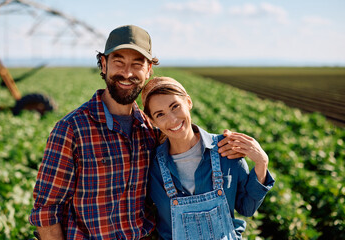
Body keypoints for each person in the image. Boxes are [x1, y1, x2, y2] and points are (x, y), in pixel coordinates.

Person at [28, 25, 238, 240]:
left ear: (148, 71)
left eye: (137, 64)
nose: (127, 73)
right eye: (118, 62)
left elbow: (186, 146)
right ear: (103, 65)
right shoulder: (72, 129)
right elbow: (46, 211)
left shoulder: (151, 128)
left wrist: (225, 143)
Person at [141, 77, 275, 240]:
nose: (172, 119)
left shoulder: (225, 149)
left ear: (188, 102)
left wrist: (262, 163)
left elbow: (246, 208)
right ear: (152, 121)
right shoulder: (152, 166)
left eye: (175, 107)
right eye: (160, 114)